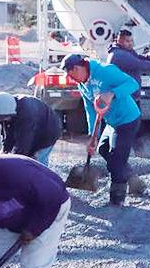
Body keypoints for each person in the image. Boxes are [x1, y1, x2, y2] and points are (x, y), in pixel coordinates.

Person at [61, 53, 142, 206]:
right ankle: (132, 179)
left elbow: (132, 84)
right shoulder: (82, 84)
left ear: (78, 68)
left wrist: (112, 94)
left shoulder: (105, 71)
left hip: (127, 119)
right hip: (111, 122)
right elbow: (90, 111)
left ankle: (116, 201)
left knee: (117, 161)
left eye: (71, 74)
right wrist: (93, 136)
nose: (71, 79)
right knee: (103, 149)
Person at [0, 92, 63, 166]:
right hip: (30, 130)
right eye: (1, 119)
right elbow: (7, 135)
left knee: (36, 163)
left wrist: (15, 160)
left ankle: (42, 172)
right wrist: (4, 152)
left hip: (48, 130)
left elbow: (24, 142)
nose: (4, 120)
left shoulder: (26, 112)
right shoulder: (4, 109)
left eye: (5, 118)